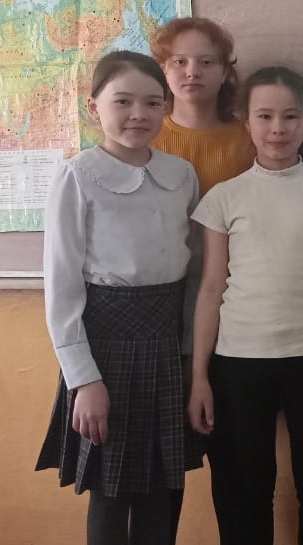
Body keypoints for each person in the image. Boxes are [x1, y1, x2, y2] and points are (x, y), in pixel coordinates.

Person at [187, 66, 303, 545]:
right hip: (239, 360)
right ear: (245, 121)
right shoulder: (224, 197)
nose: (278, 128)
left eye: (291, 116)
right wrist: (200, 375)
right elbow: (211, 288)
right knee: (246, 486)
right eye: (265, 116)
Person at [36, 51, 202, 545]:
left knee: (165, 485)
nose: (138, 114)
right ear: (94, 107)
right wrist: (84, 380)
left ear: (166, 107)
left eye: (152, 102)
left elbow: (194, 272)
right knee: (111, 490)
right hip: (106, 349)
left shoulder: (182, 174)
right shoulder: (78, 175)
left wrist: (192, 355)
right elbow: (62, 287)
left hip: (169, 346)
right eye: (123, 101)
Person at [150, 16, 252, 196]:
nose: (192, 73)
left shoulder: (250, 139)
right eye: (180, 62)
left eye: (206, 62)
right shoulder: (146, 138)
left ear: (224, 72)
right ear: (164, 71)